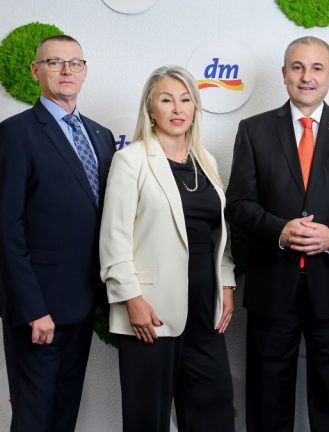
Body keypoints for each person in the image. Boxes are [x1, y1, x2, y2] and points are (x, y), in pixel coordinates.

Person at [225, 36, 329, 432]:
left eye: (317, 68)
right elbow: (239, 206)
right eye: (297, 67)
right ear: (284, 74)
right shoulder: (253, 130)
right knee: (267, 401)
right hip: (271, 289)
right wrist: (280, 231)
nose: (306, 77)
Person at [0, 35, 115, 432]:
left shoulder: (101, 136)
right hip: (37, 309)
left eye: (75, 63)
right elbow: (4, 228)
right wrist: (33, 309)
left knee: (64, 414)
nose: (66, 70)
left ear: (85, 71)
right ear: (35, 71)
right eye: (54, 62)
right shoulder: (14, 134)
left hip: (83, 303)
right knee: (34, 417)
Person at [99, 65, 236, 432]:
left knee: (214, 416)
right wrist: (132, 299)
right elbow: (114, 239)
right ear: (150, 109)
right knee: (148, 421)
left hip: (204, 313)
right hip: (151, 313)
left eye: (185, 99)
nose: (177, 108)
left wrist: (227, 283)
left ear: (195, 108)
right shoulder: (131, 160)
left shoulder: (207, 162)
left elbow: (218, 236)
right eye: (166, 99)